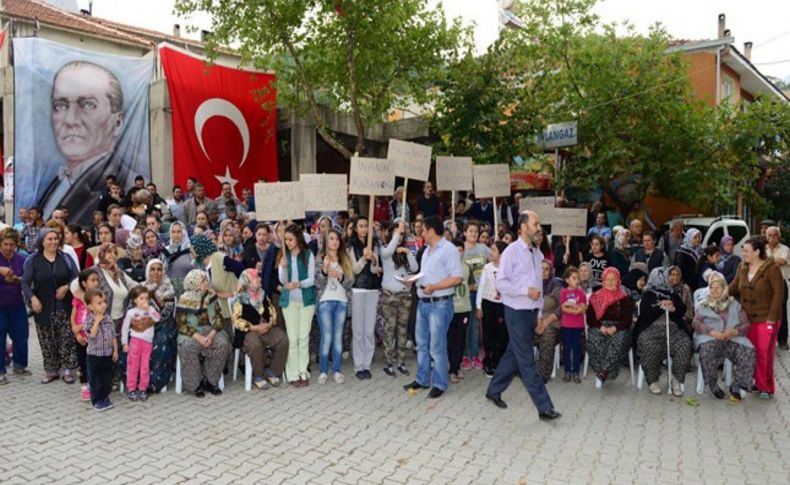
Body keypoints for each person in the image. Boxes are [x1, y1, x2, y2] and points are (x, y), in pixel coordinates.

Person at [38, 61, 136, 224]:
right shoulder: (60, 179)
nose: (70, 120)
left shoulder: (124, 180)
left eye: (88, 105)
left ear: (117, 122)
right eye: (60, 105)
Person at [484, 211, 560, 421]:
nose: (538, 227)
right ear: (524, 227)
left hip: (530, 313)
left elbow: (538, 287)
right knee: (526, 360)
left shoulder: (537, 253)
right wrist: (525, 291)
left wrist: (538, 313)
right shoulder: (510, 252)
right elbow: (501, 283)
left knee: (513, 355)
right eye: (535, 223)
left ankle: (493, 390)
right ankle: (544, 407)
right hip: (515, 312)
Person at [402, 216, 462, 399]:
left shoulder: (449, 249)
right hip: (423, 302)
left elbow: (457, 278)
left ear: (431, 231)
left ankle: (440, 383)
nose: (421, 233)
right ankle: (422, 378)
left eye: (423, 230)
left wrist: (435, 287)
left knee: (437, 346)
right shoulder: (427, 251)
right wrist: (412, 280)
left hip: (440, 304)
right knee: (422, 344)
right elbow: (426, 274)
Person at [21, 228, 79, 384]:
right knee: (46, 339)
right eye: (49, 239)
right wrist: (33, 298)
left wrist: (67, 286)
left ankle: (67, 369)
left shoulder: (65, 258)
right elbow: (25, 282)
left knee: (66, 339)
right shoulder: (33, 260)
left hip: (64, 307)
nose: (53, 242)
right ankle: (51, 370)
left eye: (55, 238)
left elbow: (77, 278)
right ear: (42, 242)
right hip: (43, 307)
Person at [728, 236, 784, 399]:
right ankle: (753, 382)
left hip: (767, 319)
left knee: (763, 354)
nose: (743, 253)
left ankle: (765, 387)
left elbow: (779, 294)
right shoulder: (742, 267)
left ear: (757, 252)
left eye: (746, 250)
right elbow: (733, 287)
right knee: (750, 352)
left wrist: (772, 318)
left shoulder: (772, 269)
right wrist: (719, 292)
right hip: (747, 320)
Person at [692, 273, 755, 402]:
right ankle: (713, 383)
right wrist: (711, 332)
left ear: (725, 288)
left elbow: (746, 324)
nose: (714, 290)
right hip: (711, 338)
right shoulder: (703, 305)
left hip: (732, 339)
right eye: (711, 287)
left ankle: (737, 384)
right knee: (707, 350)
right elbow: (695, 323)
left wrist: (735, 331)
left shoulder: (735, 305)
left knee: (748, 350)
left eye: (718, 287)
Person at [635, 267, 692, 396]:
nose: (665, 280)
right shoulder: (648, 295)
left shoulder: (672, 294)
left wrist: (673, 308)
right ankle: (652, 380)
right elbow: (645, 315)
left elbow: (682, 310)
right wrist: (660, 307)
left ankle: (676, 380)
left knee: (684, 345)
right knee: (649, 347)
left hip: (673, 330)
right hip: (651, 330)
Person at [175, 269, 231, 398]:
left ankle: (211, 381)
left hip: (211, 330)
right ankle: (196, 384)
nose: (207, 283)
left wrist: (211, 335)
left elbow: (218, 318)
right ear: (194, 283)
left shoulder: (211, 296)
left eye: (206, 280)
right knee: (188, 347)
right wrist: (199, 337)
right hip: (192, 333)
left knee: (222, 344)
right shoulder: (184, 300)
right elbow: (181, 325)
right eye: (203, 281)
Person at [232, 268, 288, 389]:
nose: (260, 279)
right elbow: (236, 320)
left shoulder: (263, 294)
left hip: (266, 328)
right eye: (256, 277)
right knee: (256, 344)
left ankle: (272, 371)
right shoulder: (239, 298)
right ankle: (258, 376)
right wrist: (254, 327)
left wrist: (270, 323)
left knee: (283, 339)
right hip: (249, 331)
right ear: (248, 281)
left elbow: (273, 311)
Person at [278, 224, 317, 387]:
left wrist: (298, 284)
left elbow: (311, 279)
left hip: (306, 301)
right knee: (292, 338)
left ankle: (303, 371)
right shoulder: (284, 255)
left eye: (290, 239)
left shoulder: (308, 254)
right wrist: (282, 267)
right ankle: (292, 373)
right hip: (289, 302)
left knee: (303, 337)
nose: (287, 242)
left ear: (298, 238)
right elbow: (282, 280)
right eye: (285, 240)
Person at [314, 230, 354, 384]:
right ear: (326, 242)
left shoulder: (345, 259)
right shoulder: (320, 259)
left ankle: (337, 370)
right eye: (331, 239)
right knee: (327, 337)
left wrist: (341, 276)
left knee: (338, 338)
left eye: (337, 239)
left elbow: (350, 283)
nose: (334, 241)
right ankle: (323, 371)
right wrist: (324, 271)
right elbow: (317, 283)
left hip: (341, 302)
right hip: (325, 302)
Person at [379, 221, 418, 377]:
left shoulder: (405, 251)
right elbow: (388, 252)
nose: (400, 236)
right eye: (397, 233)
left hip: (404, 295)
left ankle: (401, 362)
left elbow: (415, 268)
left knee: (402, 330)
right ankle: (389, 362)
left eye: (402, 234)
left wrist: (408, 253)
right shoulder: (384, 249)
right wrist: (398, 232)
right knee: (390, 329)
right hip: (389, 295)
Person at [586, 267, 635, 385]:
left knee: (620, 338)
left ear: (618, 280)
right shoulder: (595, 297)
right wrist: (600, 327)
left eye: (613, 279)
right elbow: (590, 318)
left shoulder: (625, 298)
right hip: (600, 327)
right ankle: (605, 370)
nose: (610, 282)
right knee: (593, 339)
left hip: (619, 328)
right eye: (607, 279)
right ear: (603, 280)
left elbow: (628, 320)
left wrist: (615, 328)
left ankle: (604, 370)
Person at [347, 217, 381, 380]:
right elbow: (354, 269)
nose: (363, 229)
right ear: (355, 229)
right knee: (358, 330)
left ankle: (367, 364)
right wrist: (363, 258)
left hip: (373, 289)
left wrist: (373, 259)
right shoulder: (351, 246)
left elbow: (376, 270)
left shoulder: (375, 244)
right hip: (358, 290)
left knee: (369, 329)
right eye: (360, 226)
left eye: (366, 226)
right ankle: (358, 365)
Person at [0, 229, 31, 384]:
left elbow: (26, 279)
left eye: (12, 244)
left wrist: (17, 280)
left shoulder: (22, 259)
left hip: (17, 304)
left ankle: (19, 364)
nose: (8, 248)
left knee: (21, 335)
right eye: (5, 244)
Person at [121, 287, 161, 402]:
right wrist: (124, 343)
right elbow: (124, 328)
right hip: (135, 342)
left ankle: (143, 388)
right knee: (133, 366)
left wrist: (150, 309)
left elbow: (158, 318)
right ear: (135, 300)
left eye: (146, 298)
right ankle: (131, 389)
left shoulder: (151, 309)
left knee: (145, 367)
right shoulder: (131, 312)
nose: (144, 301)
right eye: (141, 298)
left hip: (147, 343)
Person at [144, 259, 177, 393]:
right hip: (144, 323)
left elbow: (167, 312)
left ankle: (154, 382)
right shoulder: (141, 287)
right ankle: (136, 381)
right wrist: (141, 323)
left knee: (160, 341)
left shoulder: (168, 288)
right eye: (153, 269)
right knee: (132, 340)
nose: (156, 272)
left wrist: (152, 321)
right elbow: (133, 308)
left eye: (159, 269)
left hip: (164, 324)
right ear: (148, 271)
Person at [476, 241, 508, 377]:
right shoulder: (487, 268)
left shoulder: (507, 269)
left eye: (494, 250)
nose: (491, 252)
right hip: (488, 304)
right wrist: (478, 306)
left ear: (500, 254)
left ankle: (499, 362)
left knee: (501, 335)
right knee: (488, 334)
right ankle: (487, 362)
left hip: (502, 305)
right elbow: (481, 287)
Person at [461, 221, 490, 371]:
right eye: (470, 231)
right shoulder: (462, 250)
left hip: (480, 294)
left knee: (475, 326)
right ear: (465, 232)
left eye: (476, 232)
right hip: (465, 293)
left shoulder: (484, 249)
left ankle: (475, 355)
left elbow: (496, 260)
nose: (473, 234)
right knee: (466, 325)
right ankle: (465, 355)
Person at [83, 289, 118, 411]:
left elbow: (113, 335)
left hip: (107, 354)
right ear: (90, 307)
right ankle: (97, 401)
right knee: (95, 379)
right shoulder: (89, 320)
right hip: (94, 355)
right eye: (99, 303)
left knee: (106, 378)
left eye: (104, 302)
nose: (103, 305)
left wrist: (115, 351)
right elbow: (91, 336)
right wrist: (97, 321)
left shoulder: (108, 318)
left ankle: (104, 397)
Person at [69, 269, 100, 400]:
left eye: (97, 280)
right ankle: (84, 387)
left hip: (93, 336)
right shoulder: (78, 299)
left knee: (94, 361)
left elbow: (97, 317)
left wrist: (79, 327)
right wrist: (76, 332)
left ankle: (95, 385)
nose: (96, 283)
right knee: (82, 361)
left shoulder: (98, 299)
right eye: (93, 280)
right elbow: (73, 316)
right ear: (84, 283)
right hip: (80, 337)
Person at [449, 239, 475, 383]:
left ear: (463, 251)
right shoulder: (447, 267)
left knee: (460, 340)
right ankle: (451, 368)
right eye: (455, 250)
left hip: (464, 308)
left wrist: (466, 291)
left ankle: (456, 367)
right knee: (450, 339)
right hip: (450, 308)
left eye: (460, 250)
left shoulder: (466, 267)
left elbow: (472, 284)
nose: (458, 253)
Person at [560, 266, 587, 383]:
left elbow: (583, 307)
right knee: (566, 348)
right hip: (566, 325)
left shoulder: (581, 292)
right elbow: (563, 307)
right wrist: (575, 308)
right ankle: (567, 371)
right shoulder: (563, 292)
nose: (577, 281)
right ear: (567, 280)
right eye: (574, 278)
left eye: (578, 278)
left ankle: (576, 372)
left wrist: (573, 307)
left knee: (576, 349)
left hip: (578, 325)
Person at [764, 227, 789, 350]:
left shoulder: (785, 249)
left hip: (780, 284)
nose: (772, 237)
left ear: (779, 236)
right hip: (765, 284)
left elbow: (782, 261)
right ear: (766, 236)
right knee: (766, 311)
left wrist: (765, 261)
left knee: (781, 312)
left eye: (775, 235)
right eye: (769, 235)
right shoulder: (763, 249)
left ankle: (783, 340)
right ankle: (768, 339)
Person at [162, 221, 192, 295]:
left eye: (179, 232)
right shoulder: (165, 251)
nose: (176, 235)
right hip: (170, 292)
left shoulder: (190, 250)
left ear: (184, 233)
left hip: (188, 292)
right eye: (173, 232)